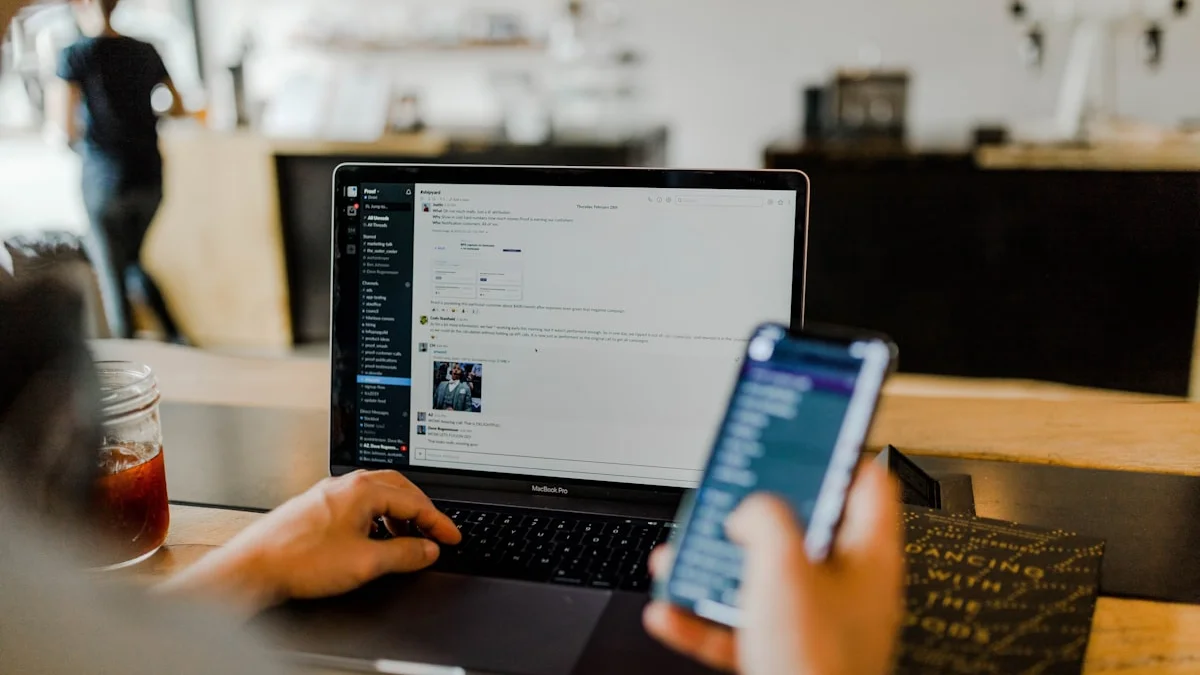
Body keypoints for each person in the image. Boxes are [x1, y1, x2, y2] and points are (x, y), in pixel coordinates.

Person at [52, 0, 186, 341]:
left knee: (113, 273)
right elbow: (178, 105)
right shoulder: (145, 51)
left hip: (104, 177)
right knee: (132, 261)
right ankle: (176, 336)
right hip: (149, 174)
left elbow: (63, 126)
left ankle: (134, 357)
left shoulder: (73, 55)